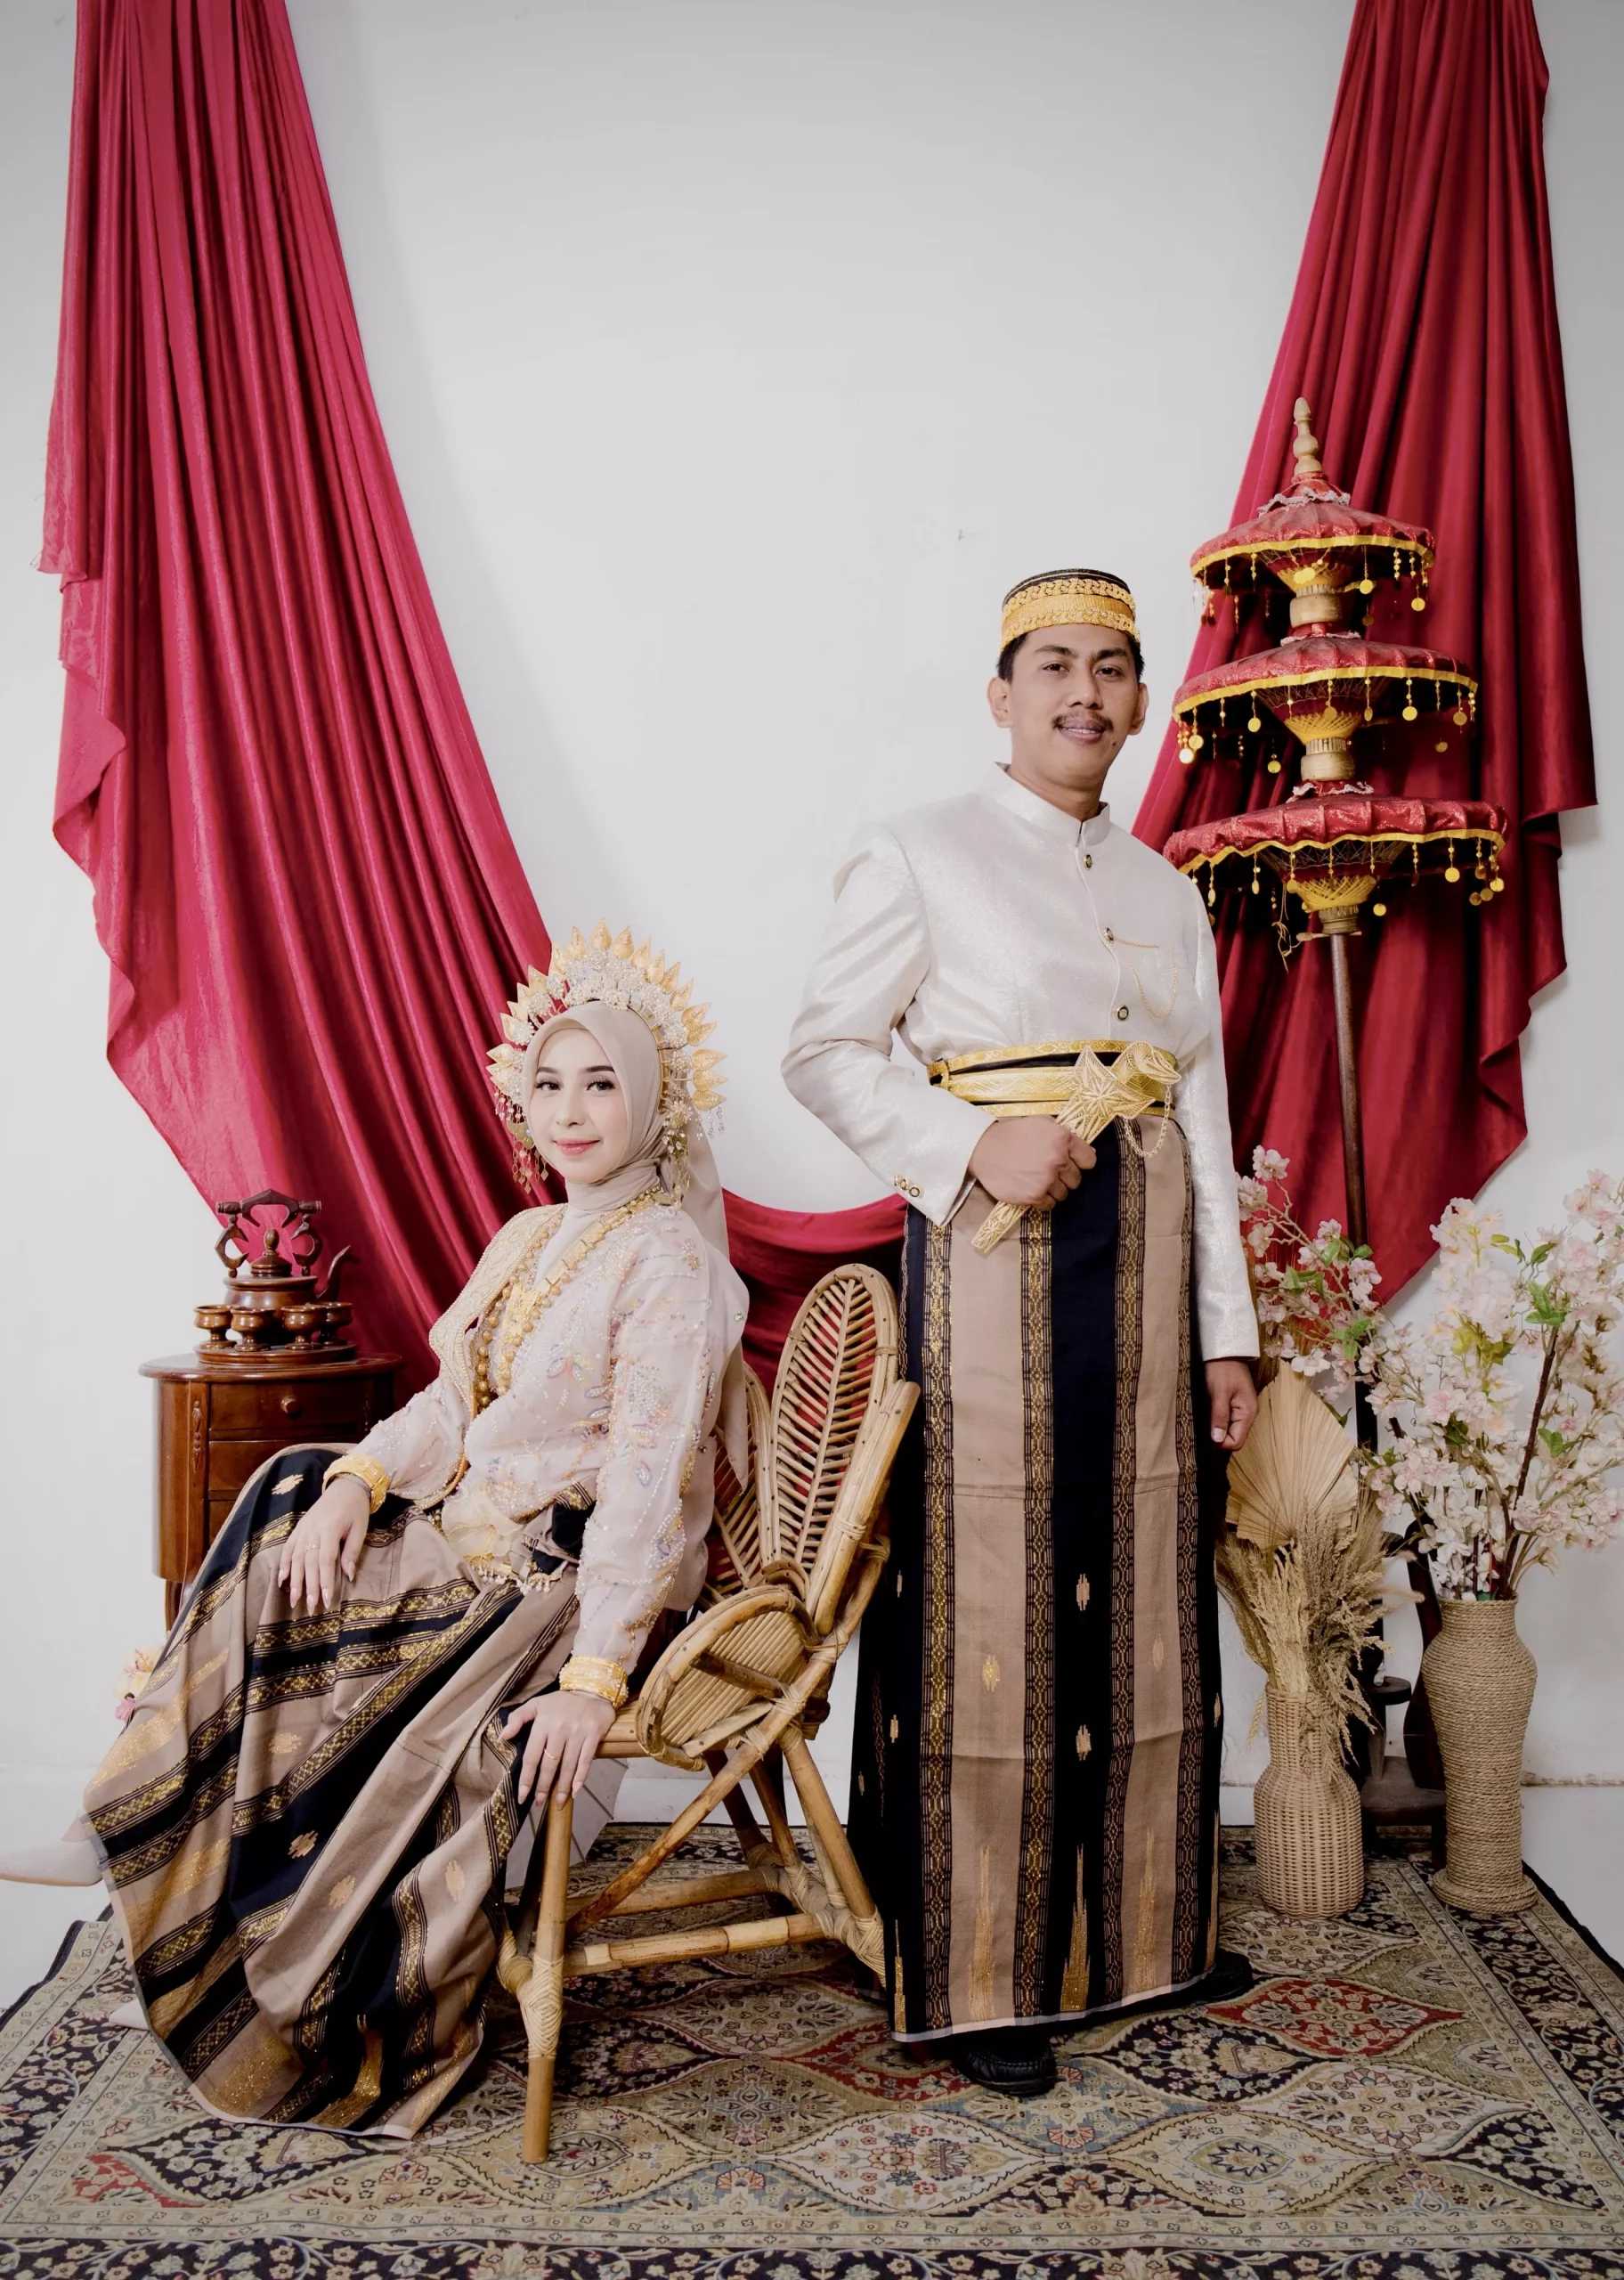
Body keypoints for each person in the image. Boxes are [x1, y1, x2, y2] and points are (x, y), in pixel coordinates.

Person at [73, 926, 746, 2138]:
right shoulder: (528, 1238)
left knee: (328, 1606)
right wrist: (360, 1482)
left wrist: (596, 1678)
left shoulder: (669, 1263)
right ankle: (161, 1854)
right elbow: (450, 1405)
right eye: (549, 1082)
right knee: (294, 1486)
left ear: (655, 1101)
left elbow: (649, 1488)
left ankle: (278, 1972)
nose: (571, 1111)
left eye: (602, 1083)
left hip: (557, 1582)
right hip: (466, 1532)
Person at [784, 570, 1260, 2097]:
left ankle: (1146, 1940)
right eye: (1054, 664)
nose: (1085, 692)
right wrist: (966, 1145)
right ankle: (978, 1970)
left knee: (1146, 1577)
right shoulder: (918, 852)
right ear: (1001, 694)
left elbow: (1205, 1116)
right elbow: (824, 1050)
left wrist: (1229, 1335)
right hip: (997, 1259)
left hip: (1153, 1264)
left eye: (1113, 668)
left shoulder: (1168, 887)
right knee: (992, 1591)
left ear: (1139, 699)